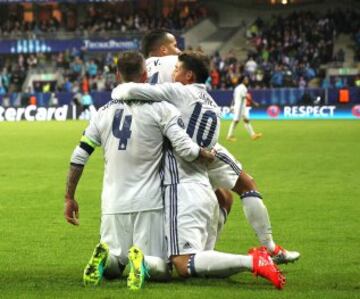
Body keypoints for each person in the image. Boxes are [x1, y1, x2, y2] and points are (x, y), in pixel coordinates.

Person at [116, 29, 300, 265]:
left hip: (147, 145)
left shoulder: (142, 67)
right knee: (244, 184)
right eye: (174, 45)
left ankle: (168, 255)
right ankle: (268, 248)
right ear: (163, 49)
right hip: (185, 140)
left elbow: (129, 91)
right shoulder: (176, 65)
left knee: (221, 197)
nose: (178, 50)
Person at [64, 51, 215, 290]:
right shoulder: (162, 109)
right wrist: (203, 153)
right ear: (146, 75)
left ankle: (106, 257)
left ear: (117, 74)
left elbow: (79, 156)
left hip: (112, 202)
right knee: (162, 269)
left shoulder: (102, 113)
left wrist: (69, 196)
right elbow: (185, 149)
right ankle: (143, 260)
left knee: (115, 266)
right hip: (149, 202)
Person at [227, 76, 262, 141]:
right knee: (235, 121)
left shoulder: (237, 88)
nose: (247, 80)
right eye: (246, 79)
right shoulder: (243, 88)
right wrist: (254, 103)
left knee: (246, 120)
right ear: (243, 80)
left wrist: (231, 106)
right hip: (240, 107)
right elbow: (246, 97)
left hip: (240, 107)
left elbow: (233, 98)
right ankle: (229, 136)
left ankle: (253, 135)